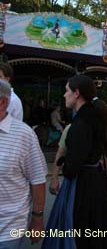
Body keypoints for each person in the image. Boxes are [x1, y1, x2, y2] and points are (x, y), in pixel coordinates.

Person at [42, 75, 107, 248]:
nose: (64, 95)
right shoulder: (96, 116)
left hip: (83, 184)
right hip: (96, 180)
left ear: (76, 93)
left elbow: (72, 167)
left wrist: (64, 163)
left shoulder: (81, 122)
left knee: (79, 230)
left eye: (67, 91)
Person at [0, 80, 47, 248]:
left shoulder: (23, 135)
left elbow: (38, 179)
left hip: (8, 231)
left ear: (2, 102)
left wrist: (37, 218)